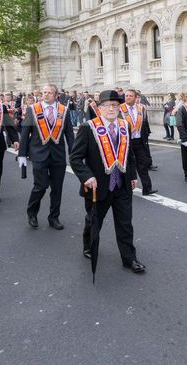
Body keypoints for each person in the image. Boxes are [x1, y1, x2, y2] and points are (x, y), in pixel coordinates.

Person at [70, 90, 145, 274]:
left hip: (122, 185)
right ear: (99, 108)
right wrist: (87, 176)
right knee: (94, 221)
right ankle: (89, 246)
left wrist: (133, 175)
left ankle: (129, 259)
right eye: (107, 105)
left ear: (119, 108)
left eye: (114, 105)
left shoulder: (124, 125)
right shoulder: (88, 128)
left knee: (125, 224)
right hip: (98, 186)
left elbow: (130, 155)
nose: (111, 109)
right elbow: (75, 158)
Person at [18, 84, 75, 230]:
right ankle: (32, 213)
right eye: (44, 92)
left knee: (57, 188)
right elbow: (25, 132)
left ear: (56, 95)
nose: (46, 95)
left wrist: (75, 155)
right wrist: (22, 154)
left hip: (58, 156)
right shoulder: (33, 109)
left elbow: (69, 134)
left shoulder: (64, 110)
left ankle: (54, 217)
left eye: (50, 92)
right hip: (38, 154)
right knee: (40, 186)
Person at [120, 89, 157, 196]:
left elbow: (145, 124)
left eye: (130, 96)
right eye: (126, 95)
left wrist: (146, 136)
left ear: (136, 97)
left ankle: (147, 188)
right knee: (127, 165)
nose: (127, 97)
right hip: (126, 142)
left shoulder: (141, 108)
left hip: (139, 141)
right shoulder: (120, 109)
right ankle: (126, 188)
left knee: (143, 165)